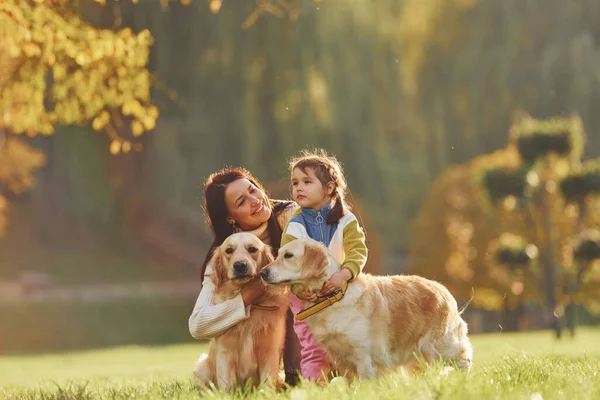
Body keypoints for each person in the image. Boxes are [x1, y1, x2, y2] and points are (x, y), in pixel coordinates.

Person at [188, 167, 302, 386]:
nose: (255, 200)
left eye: (253, 190)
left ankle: (307, 373)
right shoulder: (222, 256)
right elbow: (198, 325)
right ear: (230, 217)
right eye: (241, 202)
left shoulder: (293, 217)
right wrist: (247, 298)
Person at [281, 149, 368, 382]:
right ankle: (315, 389)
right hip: (305, 298)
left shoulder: (346, 220)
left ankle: (353, 386)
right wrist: (300, 289)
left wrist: (345, 274)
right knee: (314, 348)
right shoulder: (295, 226)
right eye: (295, 183)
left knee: (348, 343)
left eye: (307, 182)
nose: (298, 188)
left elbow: (358, 251)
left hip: (341, 292)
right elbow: (285, 265)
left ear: (329, 188)